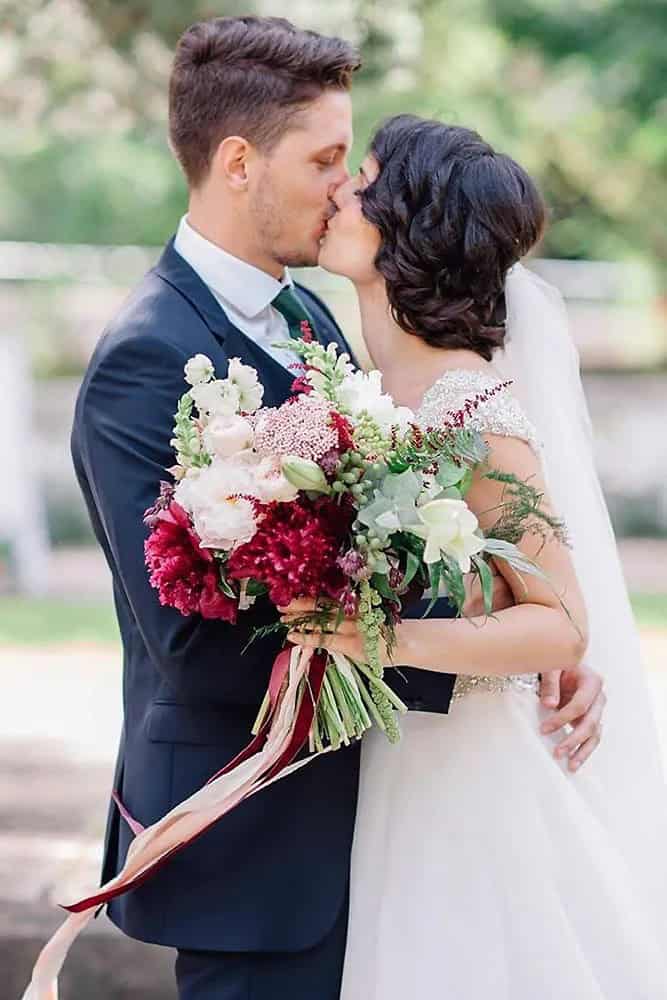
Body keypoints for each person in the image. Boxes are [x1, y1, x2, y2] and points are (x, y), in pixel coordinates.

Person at [66, 18, 605, 1000]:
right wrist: (484, 660)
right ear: (238, 162)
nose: (341, 186)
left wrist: (533, 641)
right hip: (258, 837)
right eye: (323, 159)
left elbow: (426, 521)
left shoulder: (321, 317)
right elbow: (198, 639)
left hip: (384, 815)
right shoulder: (141, 359)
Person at [286, 114, 667, 998]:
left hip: (467, 776)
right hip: (394, 763)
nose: (343, 186)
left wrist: (371, 638)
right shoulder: (357, 389)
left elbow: (561, 623)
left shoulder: (469, 403)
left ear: (411, 225)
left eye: (367, 176)